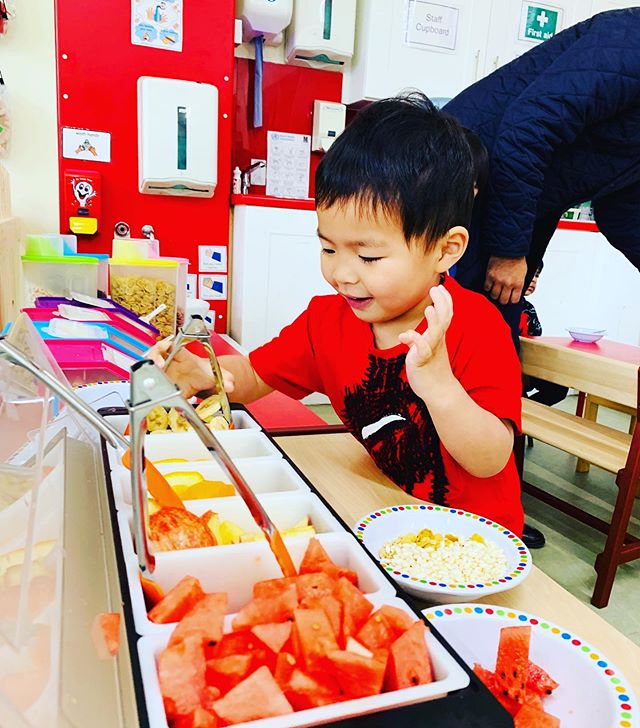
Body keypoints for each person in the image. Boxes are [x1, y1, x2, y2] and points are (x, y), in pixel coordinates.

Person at [149, 94, 525, 536]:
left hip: (476, 541)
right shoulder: (328, 322)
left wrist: (440, 387)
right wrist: (205, 372)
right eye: (328, 248)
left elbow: (489, 460)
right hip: (389, 519)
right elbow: (254, 375)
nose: (340, 273)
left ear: (446, 250)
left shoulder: (475, 326)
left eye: (367, 256)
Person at [443, 7, 640, 346]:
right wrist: (508, 250)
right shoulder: (630, 40)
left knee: (493, 343)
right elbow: (526, 130)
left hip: (515, 203)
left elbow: (621, 207)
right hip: (462, 186)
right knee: (462, 338)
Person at [521, 263, 569, 409]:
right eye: (530, 273)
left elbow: (536, 339)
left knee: (559, 388)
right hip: (509, 368)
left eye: (537, 275)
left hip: (529, 365)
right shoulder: (503, 307)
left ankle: (529, 410)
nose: (534, 280)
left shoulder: (529, 309)